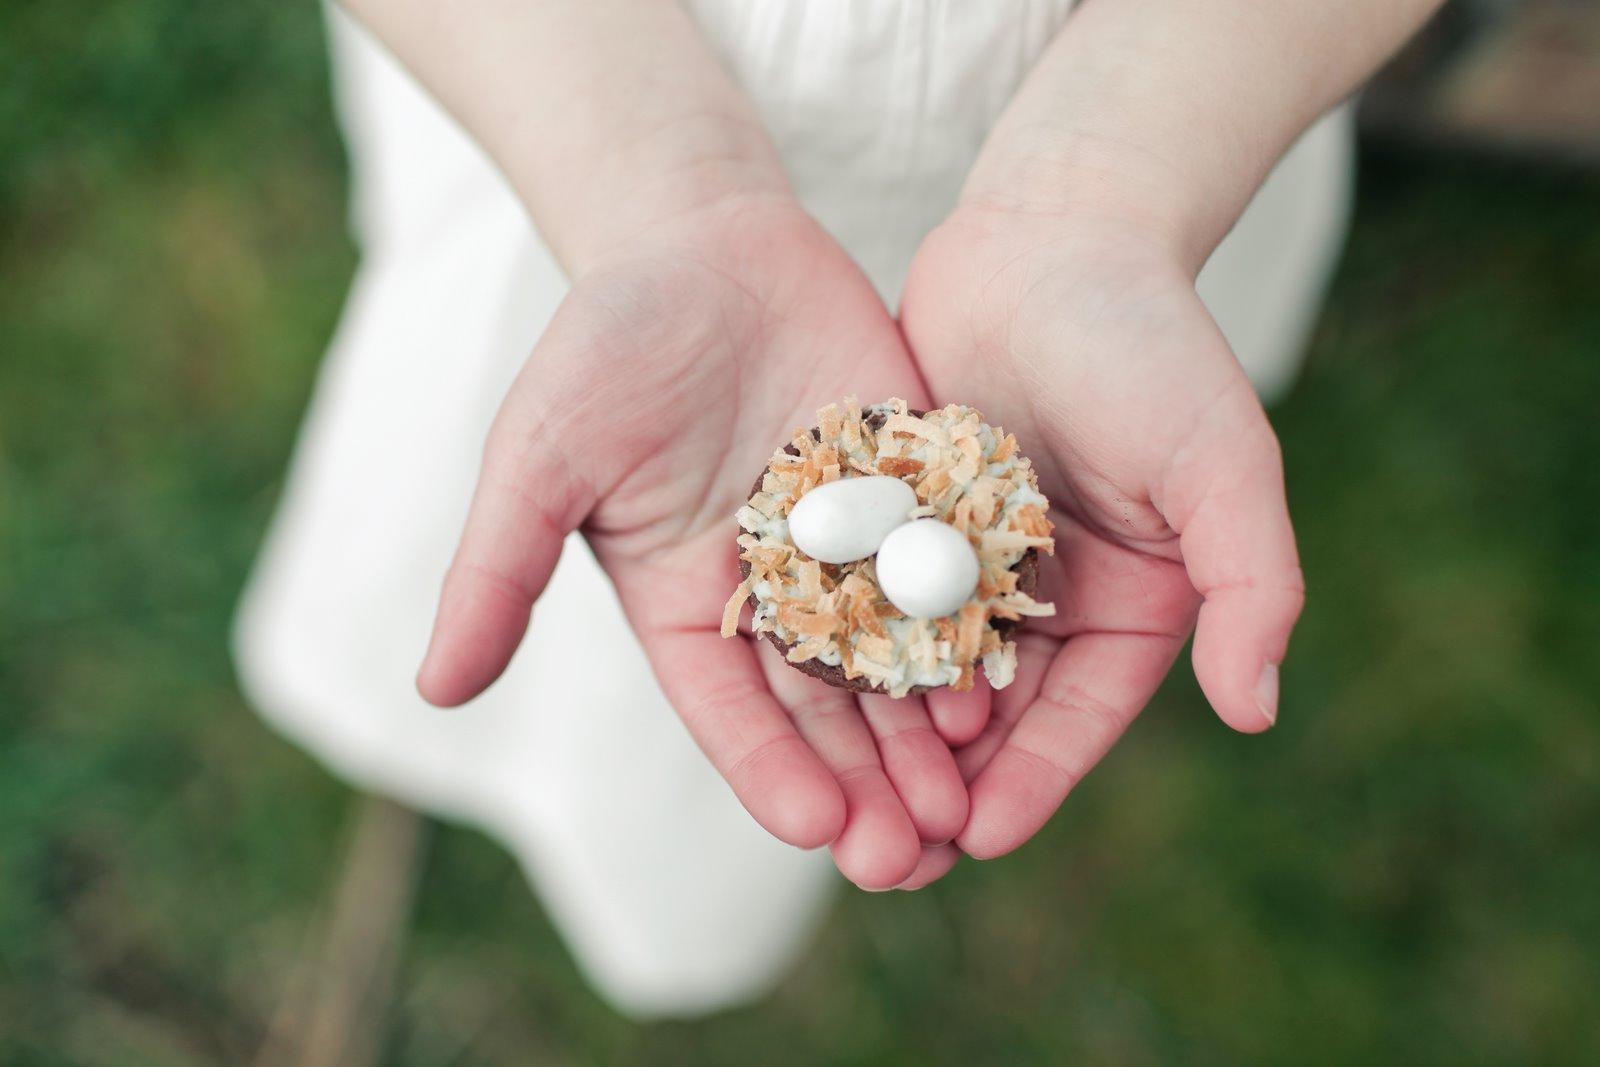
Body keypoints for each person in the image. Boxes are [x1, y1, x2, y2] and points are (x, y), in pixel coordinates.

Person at [234, 0, 1441, 1018]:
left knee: (732, 743)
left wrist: (1115, 187)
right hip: (568, 100)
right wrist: (655, 197)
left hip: (1180, 98)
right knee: (600, 609)